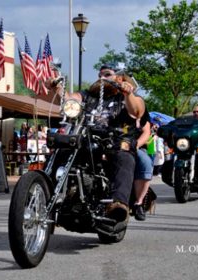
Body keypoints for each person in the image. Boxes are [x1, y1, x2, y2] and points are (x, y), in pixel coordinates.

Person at [46, 64, 147, 222]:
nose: (102, 78)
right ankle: (45, 193)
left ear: (119, 78)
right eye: (100, 75)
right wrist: (56, 87)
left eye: (107, 74)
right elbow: (70, 100)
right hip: (86, 138)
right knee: (61, 151)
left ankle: (119, 203)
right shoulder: (87, 94)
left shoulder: (128, 96)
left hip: (115, 140)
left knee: (124, 158)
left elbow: (137, 111)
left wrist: (128, 94)